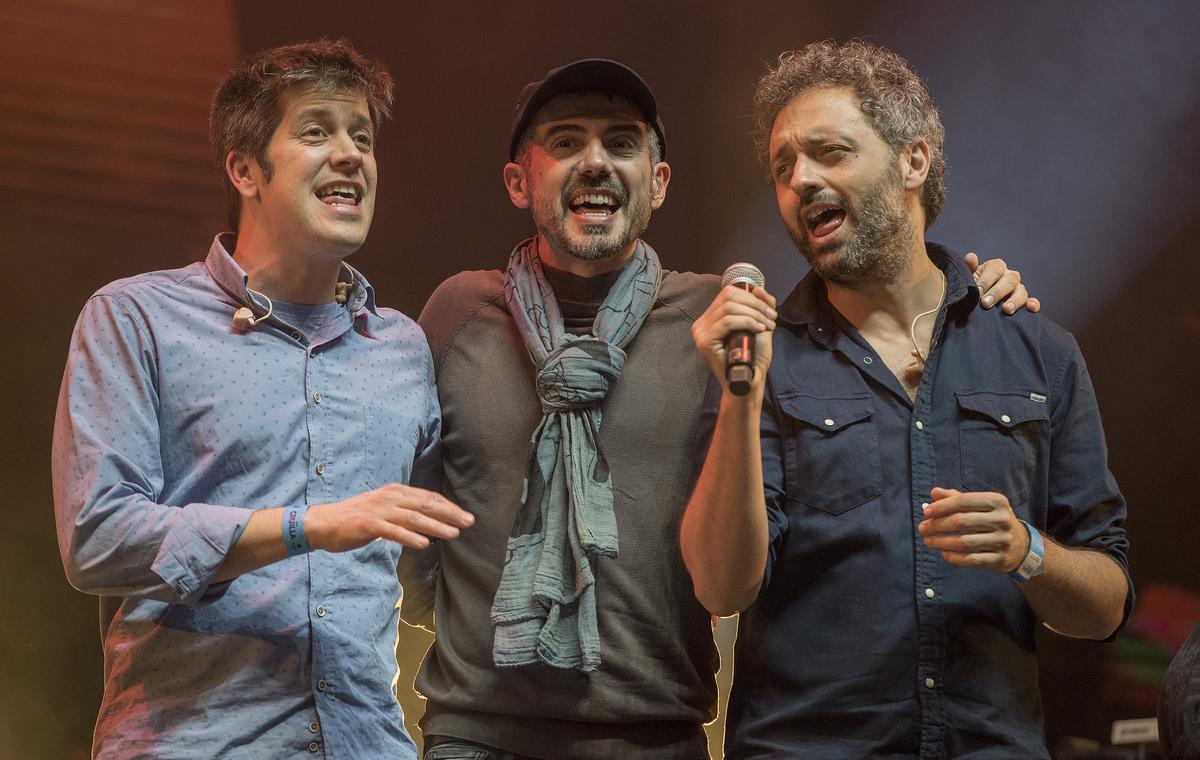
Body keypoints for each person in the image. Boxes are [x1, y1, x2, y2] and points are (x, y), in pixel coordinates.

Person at [402, 58, 1034, 760]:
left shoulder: (718, 318)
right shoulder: (457, 313)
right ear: (519, 179)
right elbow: (409, 509)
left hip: (657, 736)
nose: (595, 162)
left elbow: (876, 304)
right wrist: (472, 629)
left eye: (621, 142)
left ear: (659, 182)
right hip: (476, 734)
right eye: (565, 141)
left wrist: (970, 291)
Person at [683, 40, 1133, 758]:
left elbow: (1107, 605)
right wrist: (739, 398)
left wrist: (1028, 552)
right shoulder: (760, 355)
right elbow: (720, 586)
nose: (800, 180)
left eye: (830, 152)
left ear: (913, 161)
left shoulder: (1038, 351)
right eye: (782, 167)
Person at [52, 39, 473, 759]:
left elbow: (432, 586)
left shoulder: (401, 350)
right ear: (245, 169)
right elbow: (97, 537)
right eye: (317, 131)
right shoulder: (136, 318)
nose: (350, 155)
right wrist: (306, 525)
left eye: (362, 137)